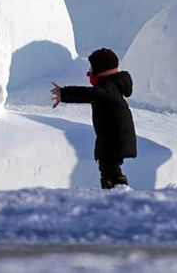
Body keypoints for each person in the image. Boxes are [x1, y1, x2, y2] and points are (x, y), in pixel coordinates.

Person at [50, 48, 137, 189]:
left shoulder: (108, 87)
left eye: (92, 68)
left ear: (101, 70)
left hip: (115, 138)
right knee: (108, 167)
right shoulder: (113, 86)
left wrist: (65, 93)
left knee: (109, 168)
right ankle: (115, 191)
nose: (88, 73)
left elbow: (90, 94)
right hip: (114, 137)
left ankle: (118, 191)